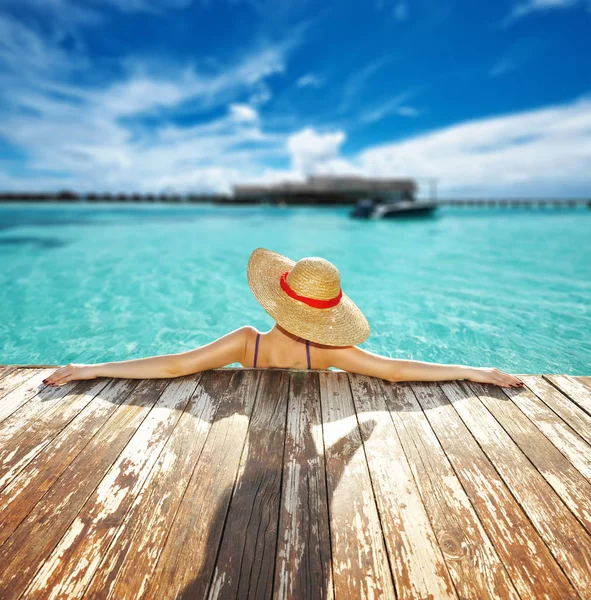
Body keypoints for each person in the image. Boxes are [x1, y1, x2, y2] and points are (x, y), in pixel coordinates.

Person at [42, 247, 524, 389]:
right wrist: (474, 371)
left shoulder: (245, 344)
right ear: (328, 313)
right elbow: (397, 370)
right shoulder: (331, 353)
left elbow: (172, 366)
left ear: (277, 300)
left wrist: (92, 368)